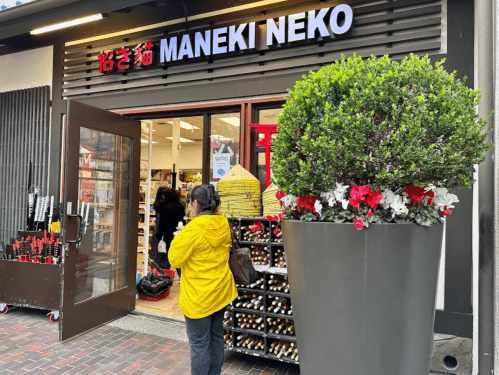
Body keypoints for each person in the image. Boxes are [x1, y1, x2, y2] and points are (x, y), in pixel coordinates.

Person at [169, 185, 237, 375]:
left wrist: (180, 237)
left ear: (196, 204)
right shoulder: (223, 222)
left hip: (199, 296)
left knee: (199, 345)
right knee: (216, 337)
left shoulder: (193, 230)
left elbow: (174, 259)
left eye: (191, 204)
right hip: (221, 290)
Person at [151, 187, 185, 280]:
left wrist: (160, 235)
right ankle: (169, 273)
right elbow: (182, 219)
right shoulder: (180, 205)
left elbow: (163, 223)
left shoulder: (166, 207)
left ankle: (166, 273)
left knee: (169, 254)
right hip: (178, 232)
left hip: (168, 234)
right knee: (173, 254)